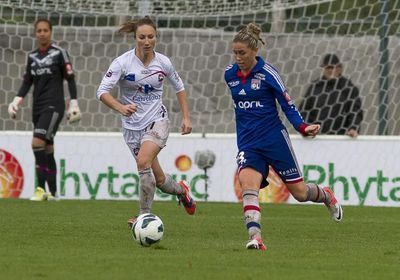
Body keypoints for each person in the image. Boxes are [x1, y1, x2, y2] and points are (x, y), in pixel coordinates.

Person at [224, 23, 343, 251]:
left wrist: (302, 127)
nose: (238, 57)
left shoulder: (269, 74)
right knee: (248, 186)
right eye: (235, 53)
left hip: (274, 139)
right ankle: (255, 237)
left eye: (242, 53)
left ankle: (326, 194)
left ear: (254, 51)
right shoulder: (230, 75)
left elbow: (287, 104)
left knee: (299, 193)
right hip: (248, 144)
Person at [96, 16, 196, 227]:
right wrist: (120, 107)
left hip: (157, 121)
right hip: (132, 128)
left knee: (143, 162)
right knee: (158, 180)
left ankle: (143, 216)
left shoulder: (163, 62)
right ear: (135, 38)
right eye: (142, 37)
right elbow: (102, 91)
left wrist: (186, 117)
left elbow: (179, 87)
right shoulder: (122, 63)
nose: (147, 41)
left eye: (151, 37)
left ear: (156, 37)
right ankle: (181, 191)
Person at [8, 18, 81, 201]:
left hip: (54, 105)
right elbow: (27, 82)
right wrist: (15, 101)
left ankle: (40, 189)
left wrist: (73, 103)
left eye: (45, 30)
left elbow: (70, 79)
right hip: (37, 107)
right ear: (35, 33)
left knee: (36, 143)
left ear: (51, 31)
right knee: (47, 148)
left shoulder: (59, 53)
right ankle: (55, 194)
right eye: (39, 30)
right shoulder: (32, 56)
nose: (42, 33)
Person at [298, 53, 363, 137]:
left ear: (340, 69)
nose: (330, 70)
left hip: (342, 138)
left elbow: (355, 111)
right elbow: (304, 110)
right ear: (324, 68)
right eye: (328, 67)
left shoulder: (349, 88)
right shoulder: (315, 86)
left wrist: (353, 128)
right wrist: (307, 128)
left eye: (333, 67)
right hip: (317, 138)